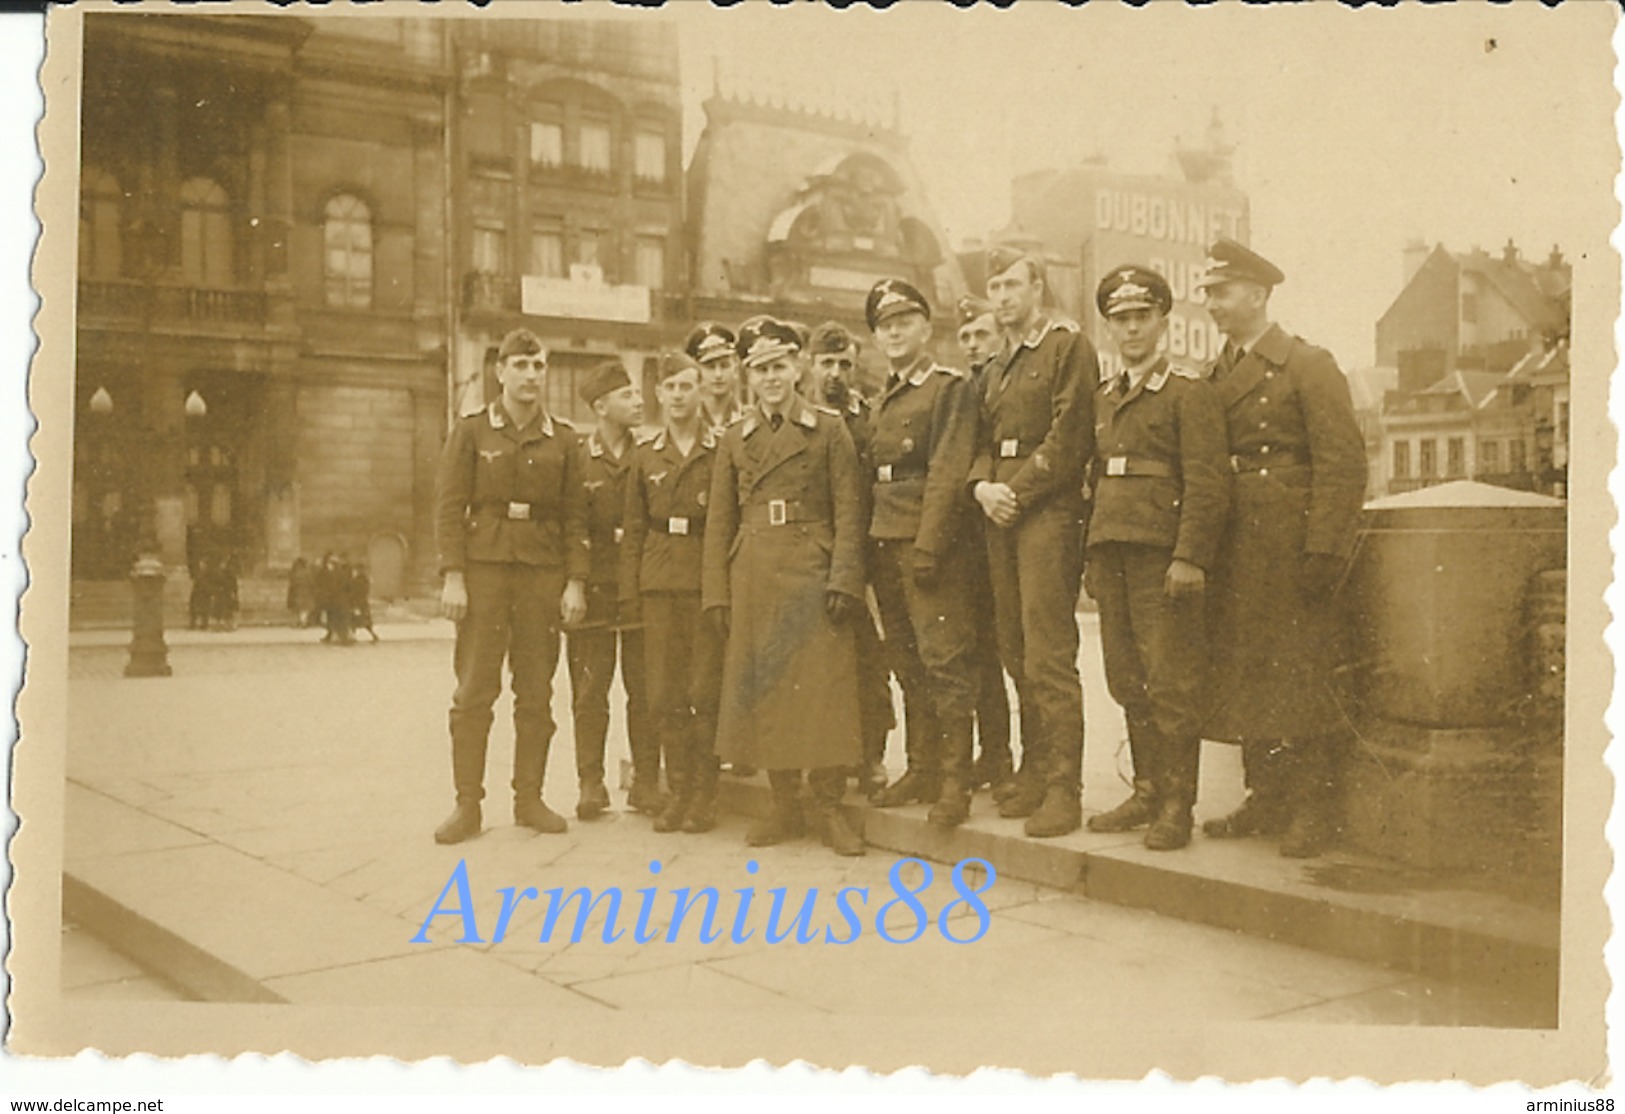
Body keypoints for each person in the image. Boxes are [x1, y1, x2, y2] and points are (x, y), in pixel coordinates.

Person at [1195, 238, 1367, 858]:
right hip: (1236, 545)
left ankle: (1315, 809)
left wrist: (1324, 549)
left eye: (1221, 291)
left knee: (1303, 673)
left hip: (1291, 545)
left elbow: (1343, 464)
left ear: (1259, 294)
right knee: (1246, 671)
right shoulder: (1213, 375)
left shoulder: (1306, 364)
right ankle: (1266, 795)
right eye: (1208, 292)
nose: (1210, 302)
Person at [702, 316, 867, 857]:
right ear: (749, 377)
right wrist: (717, 593)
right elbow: (720, 521)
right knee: (768, 685)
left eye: (779, 366)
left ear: (797, 368)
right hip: (753, 570)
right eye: (761, 370)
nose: (772, 378)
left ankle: (826, 803)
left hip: (813, 567)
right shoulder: (735, 438)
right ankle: (783, 803)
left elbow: (849, 508)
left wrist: (845, 576)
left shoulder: (828, 429)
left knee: (822, 688)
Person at [1082, 266, 1230, 851]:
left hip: (1161, 557)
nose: (1132, 328)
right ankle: (1146, 790)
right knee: (1127, 679)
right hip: (1112, 550)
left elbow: (1208, 482)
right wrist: (1091, 553)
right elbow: (1095, 478)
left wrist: (1190, 556)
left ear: (1163, 321)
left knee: (1171, 681)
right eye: (1121, 319)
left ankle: (1176, 803)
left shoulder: (1189, 393)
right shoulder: (1105, 396)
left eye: (1142, 316)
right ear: (1111, 327)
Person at [431, 327, 589, 845]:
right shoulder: (473, 431)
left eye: (538, 366)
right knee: (475, 689)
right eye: (519, 365)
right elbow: (449, 506)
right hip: (484, 574)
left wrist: (575, 583)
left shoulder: (564, 439)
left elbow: (574, 519)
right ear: (499, 371)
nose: (530, 375)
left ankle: (529, 798)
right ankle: (467, 804)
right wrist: (453, 575)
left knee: (537, 692)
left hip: (542, 577)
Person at [968, 245, 1097, 838]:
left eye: (1012, 285)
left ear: (1038, 287)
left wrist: (1011, 491)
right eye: (994, 287)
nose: (1002, 297)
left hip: (1047, 510)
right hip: (1002, 510)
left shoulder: (1067, 348)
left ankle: (1063, 788)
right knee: (1014, 648)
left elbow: (1069, 436)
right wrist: (981, 488)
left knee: (1048, 654)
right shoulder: (994, 368)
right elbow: (976, 444)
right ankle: (1033, 767)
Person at [861, 280, 981, 828]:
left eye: (904, 322)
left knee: (944, 660)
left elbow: (948, 470)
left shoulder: (947, 388)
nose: (893, 332)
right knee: (907, 660)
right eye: (884, 325)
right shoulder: (883, 397)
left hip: (927, 544)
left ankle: (955, 782)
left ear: (926, 329)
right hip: (886, 539)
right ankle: (921, 766)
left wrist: (930, 542)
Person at [621, 351, 724, 834]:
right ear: (657, 394)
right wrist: (630, 595)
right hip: (659, 582)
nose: (679, 396)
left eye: (688, 386)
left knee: (704, 690)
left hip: (705, 581)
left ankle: (705, 794)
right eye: (671, 388)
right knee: (662, 694)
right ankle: (678, 790)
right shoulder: (645, 455)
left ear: (700, 389)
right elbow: (634, 528)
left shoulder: (720, 450)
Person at [804, 320, 899, 801]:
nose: (836, 374)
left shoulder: (870, 418)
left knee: (869, 658)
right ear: (810, 364)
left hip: (865, 553)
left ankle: (872, 755)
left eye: (844, 364)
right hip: (812, 553)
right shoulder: (798, 417)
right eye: (827, 363)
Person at [565, 360, 658, 821]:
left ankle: (645, 781)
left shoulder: (647, 456)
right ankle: (590, 782)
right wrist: (575, 585)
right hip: (595, 590)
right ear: (601, 407)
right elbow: (574, 525)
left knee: (644, 688)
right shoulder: (579, 459)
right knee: (590, 689)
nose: (639, 401)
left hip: (639, 587)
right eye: (627, 396)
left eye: (638, 394)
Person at [953, 295, 1019, 794]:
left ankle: (1020, 759)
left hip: (1005, 527)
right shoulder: (963, 391)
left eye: (983, 335)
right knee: (975, 651)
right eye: (966, 337)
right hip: (966, 541)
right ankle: (993, 754)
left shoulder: (1007, 386)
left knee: (1014, 649)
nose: (974, 345)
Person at [686, 321, 744, 433]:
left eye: (724, 366)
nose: (718, 375)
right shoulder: (685, 422)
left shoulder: (750, 420)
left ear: (735, 370)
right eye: (710, 367)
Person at [348, 558, 379, 642]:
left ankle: (354, 635)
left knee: (357, 619)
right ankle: (371, 635)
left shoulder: (360, 579)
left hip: (359, 602)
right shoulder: (363, 579)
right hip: (361, 602)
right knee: (357, 619)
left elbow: (357, 590)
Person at [287, 557, 316, 628]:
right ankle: (303, 622)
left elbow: (292, 584)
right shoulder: (307, 573)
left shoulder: (294, 573)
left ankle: (297, 622)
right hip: (306, 593)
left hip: (296, 593)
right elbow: (312, 583)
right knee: (304, 609)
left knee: (297, 609)